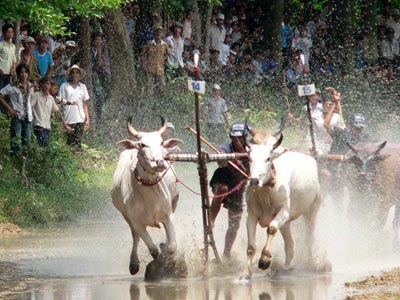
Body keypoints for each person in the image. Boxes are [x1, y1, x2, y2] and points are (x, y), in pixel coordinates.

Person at [209, 121, 249, 259]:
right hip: (223, 179)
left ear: (245, 137)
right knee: (222, 189)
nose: (236, 140)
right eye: (234, 138)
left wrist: (241, 166)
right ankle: (211, 221)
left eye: (239, 138)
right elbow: (220, 160)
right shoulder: (226, 148)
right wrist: (225, 158)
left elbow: (251, 174)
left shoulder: (251, 151)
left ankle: (227, 253)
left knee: (234, 223)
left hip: (239, 186)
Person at [0, 63, 34, 155]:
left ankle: (24, 163)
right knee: (15, 141)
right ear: (18, 74)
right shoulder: (12, 86)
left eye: (25, 72)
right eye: (21, 72)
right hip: (17, 117)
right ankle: (14, 160)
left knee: (27, 143)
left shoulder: (30, 86)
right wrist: (10, 109)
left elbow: (30, 101)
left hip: (28, 117)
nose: (23, 75)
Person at [31, 77, 72, 147]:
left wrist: (65, 125)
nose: (46, 86)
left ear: (50, 86)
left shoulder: (51, 98)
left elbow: (57, 112)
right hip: (38, 125)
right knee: (42, 145)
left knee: (45, 147)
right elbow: (29, 107)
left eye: (48, 84)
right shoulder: (36, 95)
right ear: (41, 85)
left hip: (47, 127)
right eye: (45, 84)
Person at [59, 65, 90, 150]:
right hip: (68, 118)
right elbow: (60, 102)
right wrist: (63, 121)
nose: (75, 75)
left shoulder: (82, 87)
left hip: (80, 118)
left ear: (80, 75)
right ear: (70, 75)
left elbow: (84, 104)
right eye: (73, 73)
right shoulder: (64, 86)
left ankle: (78, 159)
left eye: (77, 73)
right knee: (69, 142)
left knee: (78, 142)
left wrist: (87, 119)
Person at [0, 24, 17, 89]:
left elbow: (14, 60)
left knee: (7, 92)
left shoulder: (13, 46)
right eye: (8, 32)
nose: (10, 34)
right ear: (4, 33)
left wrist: (13, 69)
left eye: (11, 32)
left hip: (9, 74)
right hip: (1, 73)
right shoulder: (1, 45)